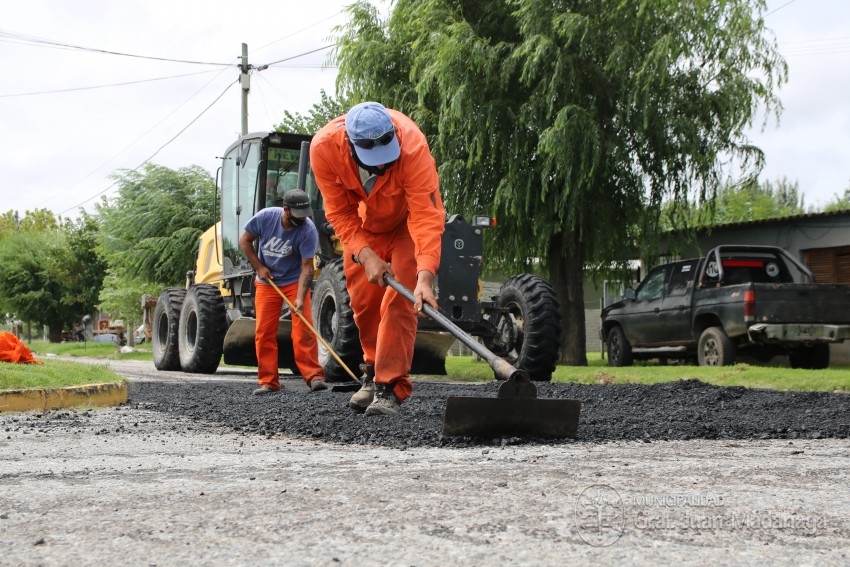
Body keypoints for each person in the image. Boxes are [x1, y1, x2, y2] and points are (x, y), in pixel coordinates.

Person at [310, 101, 445, 416]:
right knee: (364, 303)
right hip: (365, 228)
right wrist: (365, 253)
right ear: (351, 146)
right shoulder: (324, 149)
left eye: (388, 159)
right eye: (374, 161)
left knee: (400, 299)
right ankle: (371, 374)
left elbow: (426, 216)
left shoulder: (413, 147)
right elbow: (339, 212)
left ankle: (389, 387)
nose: (382, 167)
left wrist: (425, 276)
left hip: (406, 226)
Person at [238, 189, 328, 395]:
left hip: (294, 281)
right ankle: (269, 381)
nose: (302, 219)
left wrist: (299, 299)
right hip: (267, 282)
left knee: (304, 327)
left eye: (305, 214)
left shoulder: (308, 230)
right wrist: (259, 267)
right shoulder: (265, 218)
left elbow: (307, 267)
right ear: (285, 210)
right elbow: (245, 241)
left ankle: (314, 377)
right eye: (297, 215)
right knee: (264, 332)